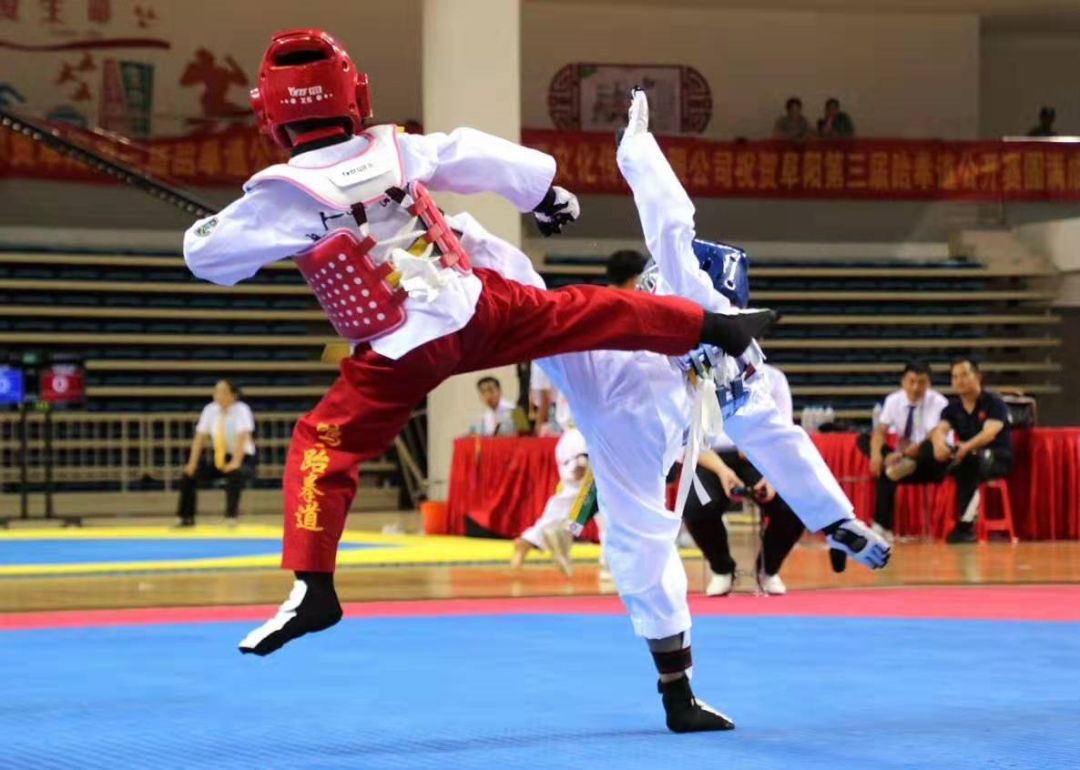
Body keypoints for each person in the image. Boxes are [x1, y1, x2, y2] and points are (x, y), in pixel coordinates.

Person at [183, 29, 775, 658]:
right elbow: (473, 152)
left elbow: (207, 256)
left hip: (402, 346)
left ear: (270, 113)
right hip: (477, 309)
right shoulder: (396, 148)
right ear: (355, 95)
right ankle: (714, 326)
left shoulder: (278, 195)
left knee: (322, 445)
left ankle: (314, 584)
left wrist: (231, 226)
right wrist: (544, 195)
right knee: (584, 310)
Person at [537, 89, 890, 734]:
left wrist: (836, 519)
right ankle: (442, 278)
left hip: (639, 401)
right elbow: (669, 221)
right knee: (511, 296)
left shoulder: (728, 333)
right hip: (607, 359)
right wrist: (637, 150)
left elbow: (770, 432)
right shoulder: (685, 282)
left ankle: (678, 690)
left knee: (643, 538)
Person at [683, 363, 804, 596]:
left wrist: (772, 473)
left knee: (794, 506)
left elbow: (784, 433)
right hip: (712, 457)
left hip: (762, 456)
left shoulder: (774, 378)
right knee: (696, 508)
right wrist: (721, 470)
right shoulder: (696, 378)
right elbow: (687, 440)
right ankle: (722, 569)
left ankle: (768, 569)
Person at [857, 360, 949, 540]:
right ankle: (883, 528)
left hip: (929, 463)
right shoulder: (893, 400)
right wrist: (877, 455)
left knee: (927, 448)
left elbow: (932, 435)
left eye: (921, 383)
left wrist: (901, 455)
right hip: (902, 462)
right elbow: (880, 431)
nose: (915, 388)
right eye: (911, 381)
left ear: (929, 384)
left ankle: (881, 524)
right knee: (864, 440)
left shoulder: (939, 402)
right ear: (903, 382)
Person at [928, 359, 1013, 544]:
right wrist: (938, 444)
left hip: (996, 458)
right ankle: (936, 524)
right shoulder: (951, 409)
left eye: (964, 375)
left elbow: (989, 433)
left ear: (978, 377)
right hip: (968, 457)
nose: (959, 381)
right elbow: (940, 429)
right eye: (955, 377)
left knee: (970, 463)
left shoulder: (994, 403)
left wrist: (966, 447)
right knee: (936, 456)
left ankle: (966, 526)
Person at [510, 427, 592, 575]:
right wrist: (581, 460)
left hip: (575, 443)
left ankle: (534, 540)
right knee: (588, 504)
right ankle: (558, 537)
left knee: (576, 505)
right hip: (579, 442)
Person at [176, 380, 257, 526]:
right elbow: (199, 438)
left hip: (243, 457)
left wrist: (235, 462)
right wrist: (192, 464)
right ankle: (185, 517)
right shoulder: (210, 410)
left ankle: (231, 516)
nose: (218, 395)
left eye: (223, 391)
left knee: (235, 473)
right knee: (189, 475)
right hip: (220, 457)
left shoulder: (242, 410)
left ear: (233, 395)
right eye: (216, 391)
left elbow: (243, 437)